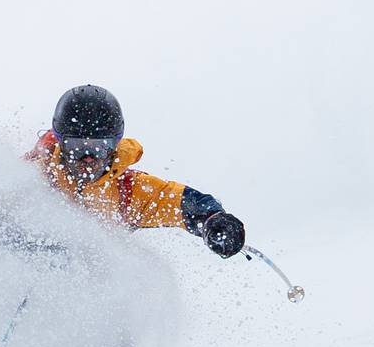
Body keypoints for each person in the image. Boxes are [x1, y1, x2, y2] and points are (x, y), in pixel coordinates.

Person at [26, 84, 246, 258]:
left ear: (115, 145)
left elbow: (180, 201)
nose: (88, 158)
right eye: (77, 148)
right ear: (61, 142)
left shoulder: (128, 191)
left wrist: (214, 220)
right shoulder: (36, 174)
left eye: (99, 147)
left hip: (89, 287)